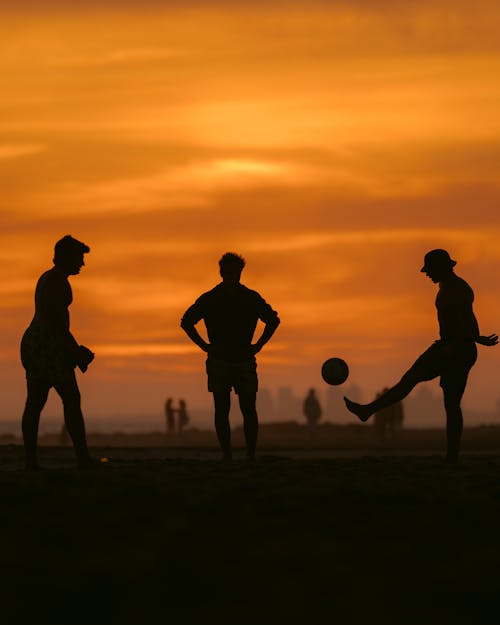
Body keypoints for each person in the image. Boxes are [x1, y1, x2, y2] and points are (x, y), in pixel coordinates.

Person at [344, 249, 498, 463]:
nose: (427, 274)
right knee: (409, 379)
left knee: (451, 404)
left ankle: (452, 456)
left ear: (443, 268)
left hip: (458, 351)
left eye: (430, 270)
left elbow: (467, 319)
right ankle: (368, 410)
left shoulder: (460, 289)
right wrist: (475, 338)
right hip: (446, 346)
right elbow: (467, 322)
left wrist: (465, 343)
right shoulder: (444, 286)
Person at [181, 252, 280, 461]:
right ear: (221, 273)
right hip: (219, 361)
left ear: (241, 273)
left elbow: (273, 320)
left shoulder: (251, 298)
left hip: (244, 360)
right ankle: (227, 455)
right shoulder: (210, 298)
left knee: (248, 408)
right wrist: (204, 346)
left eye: (236, 273)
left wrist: (258, 345)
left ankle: (250, 455)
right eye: (229, 272)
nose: (233, 276)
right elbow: (186, 322)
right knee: (222, 409)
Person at [20, 235, 95, 470]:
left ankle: (31, 460)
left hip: (38, 345)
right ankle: (82, 458)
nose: (82, 263)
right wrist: (75, 351)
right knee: (70, 398)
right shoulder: (57, 282)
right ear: (67, 257)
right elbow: (56, 325)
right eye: (79, 258)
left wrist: (74, 350)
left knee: (35, 401)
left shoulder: (50, 278)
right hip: (48, 347)